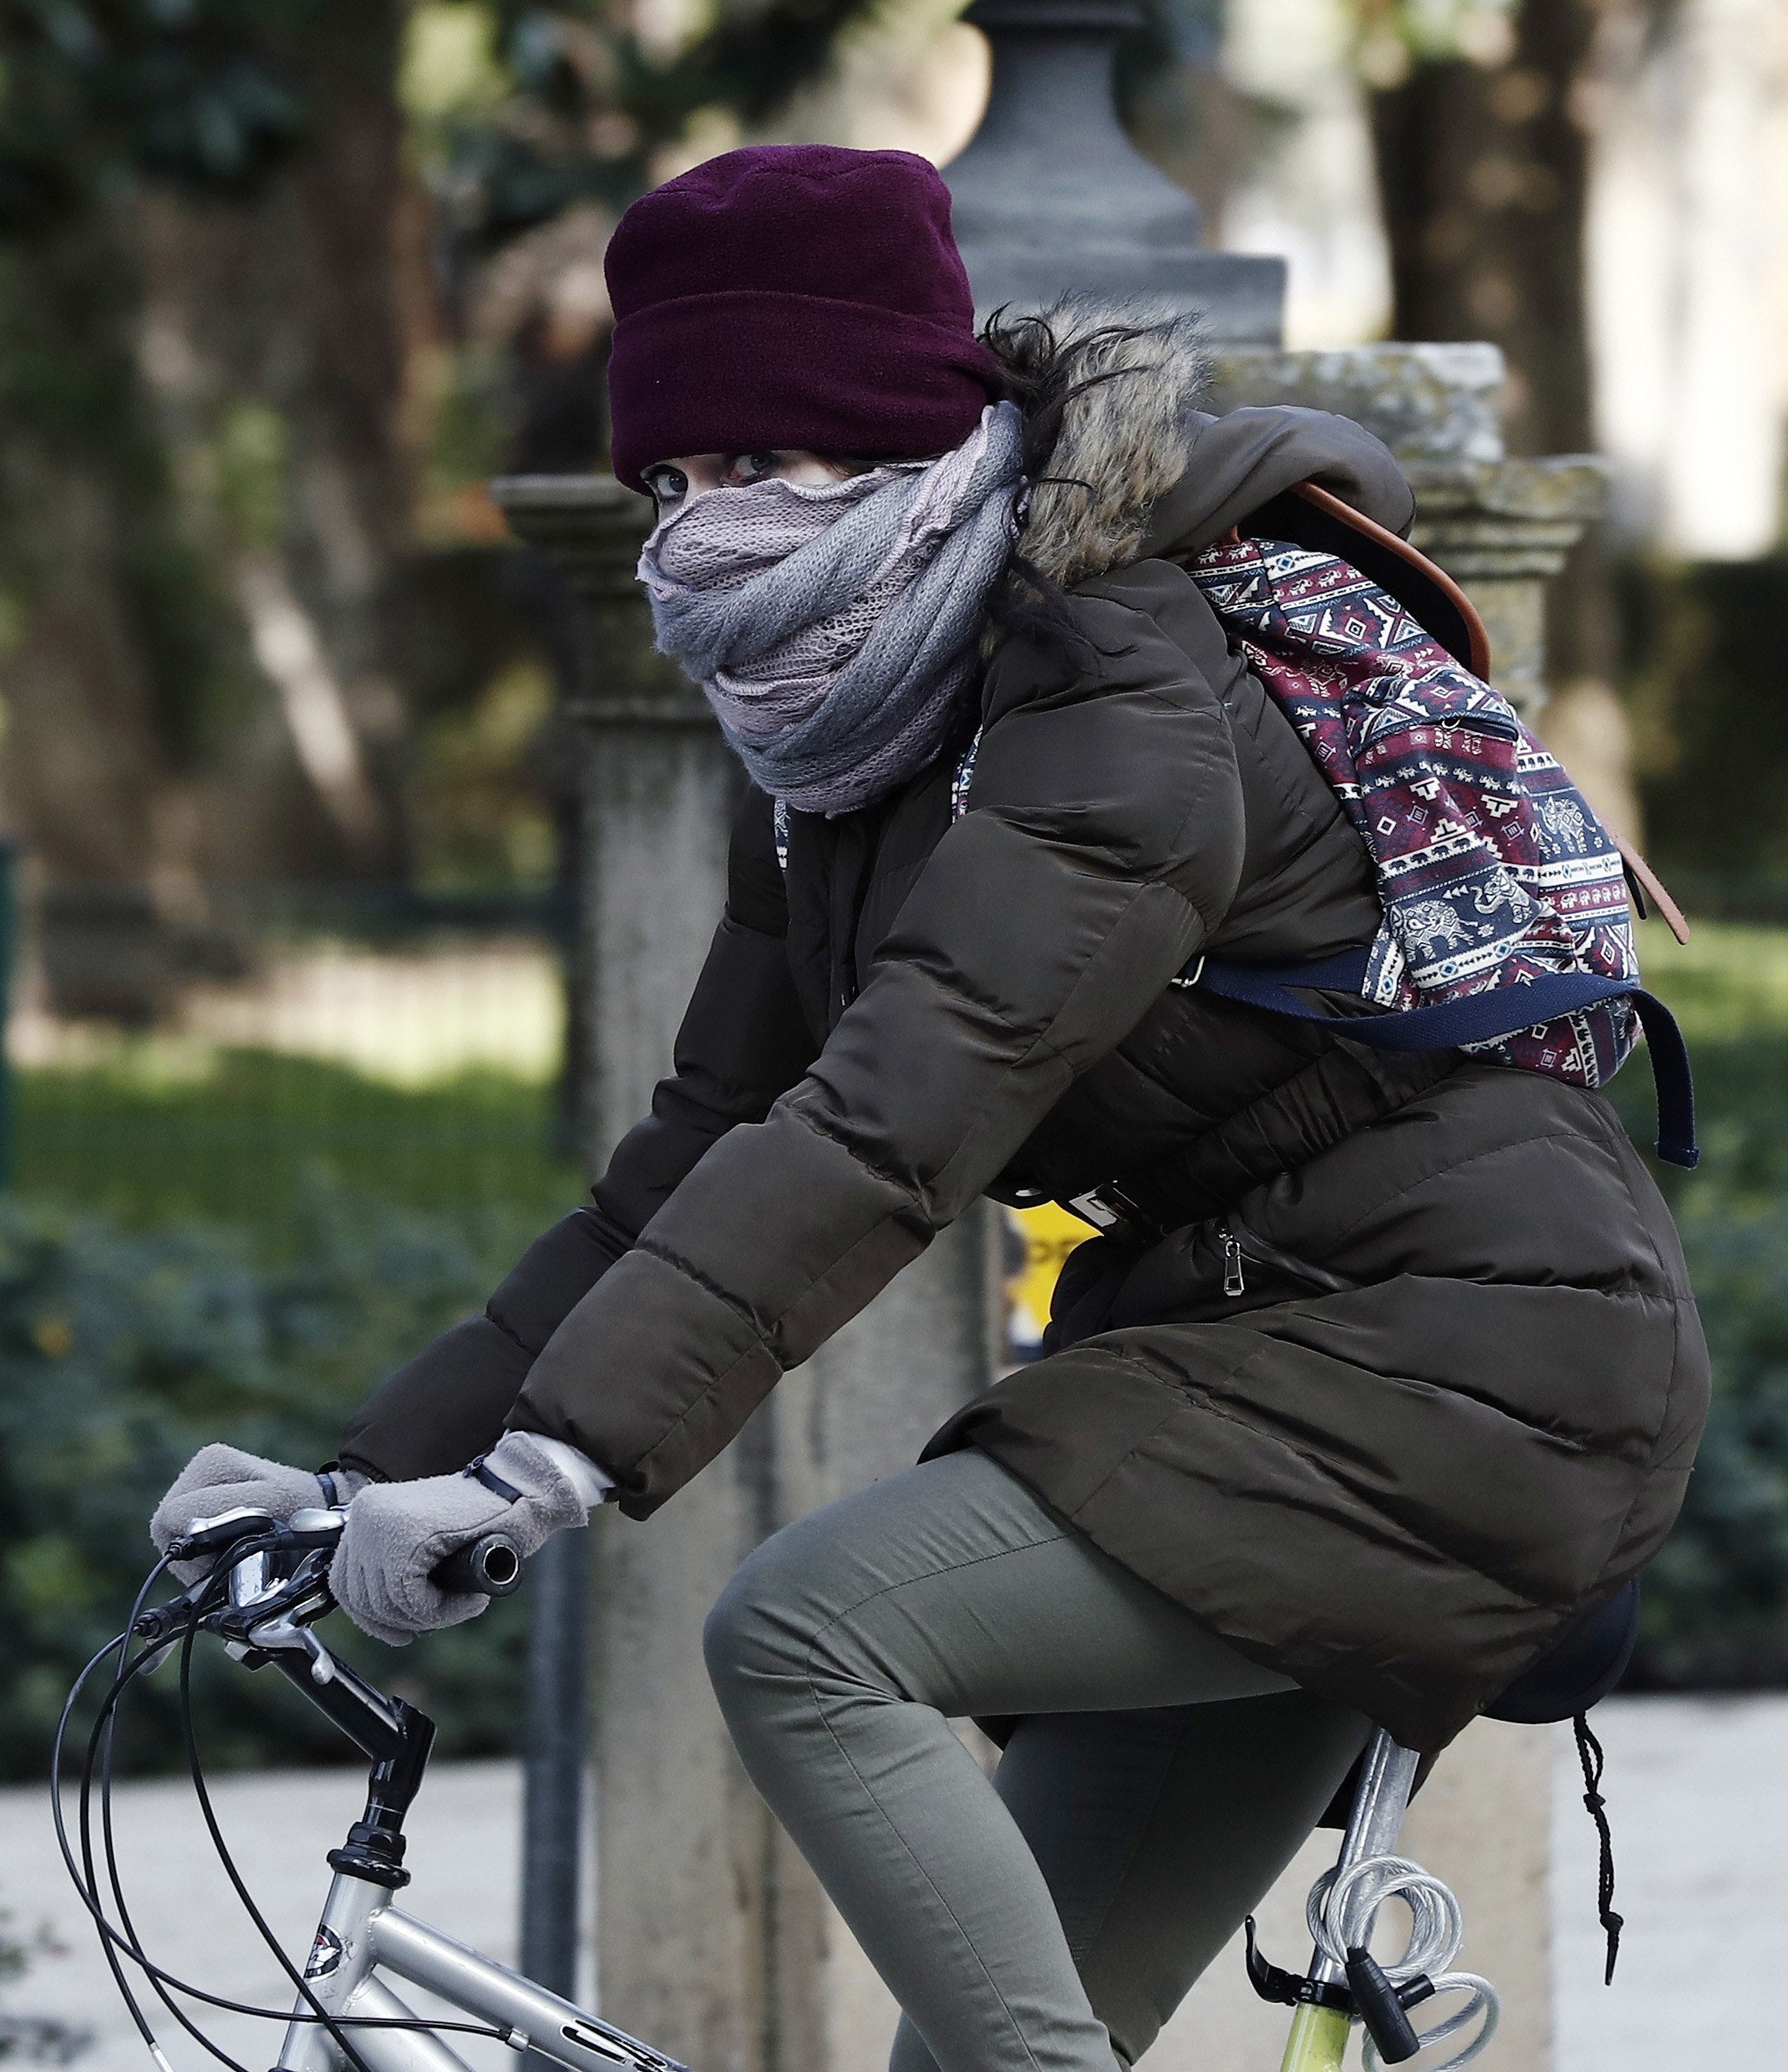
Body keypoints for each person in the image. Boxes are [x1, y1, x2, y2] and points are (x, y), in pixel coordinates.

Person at [152, 146, 1709, 2072]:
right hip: (1238, 1362)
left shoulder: (1111, 689)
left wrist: (546, 1470)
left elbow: (894, 1123)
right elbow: (701, 1147)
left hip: (1465, 1363)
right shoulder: (848, 743)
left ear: (906, 432)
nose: (706, 526)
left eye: (761, 459)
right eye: (670, 480)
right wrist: (365, 1465)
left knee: (804, 1629)